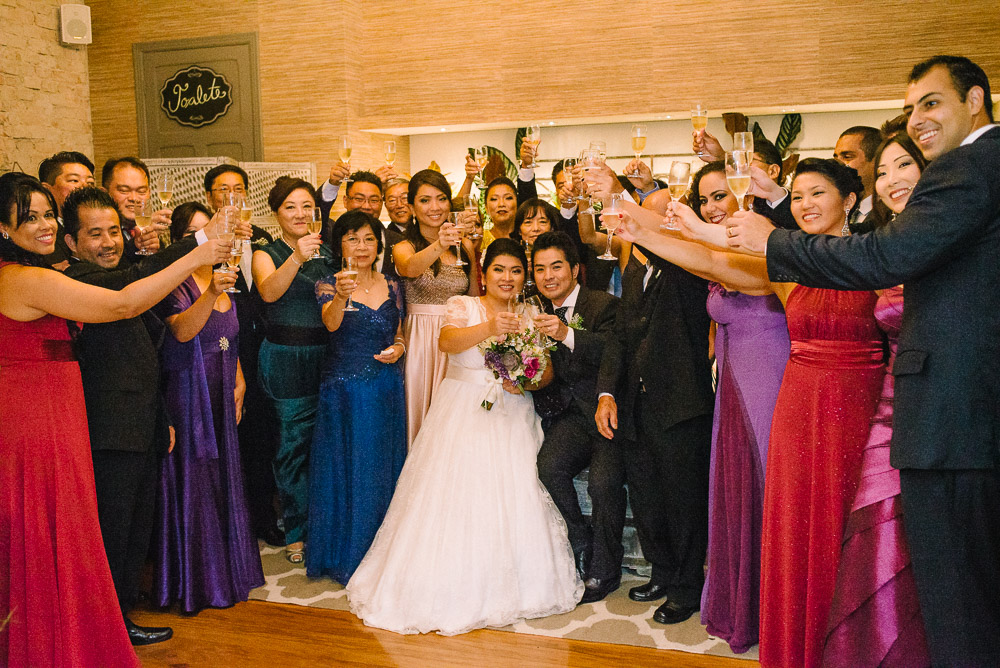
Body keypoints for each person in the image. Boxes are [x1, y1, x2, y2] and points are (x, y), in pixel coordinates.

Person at [725, 55, 1000, 666]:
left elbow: (882, 259)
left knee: (958, 607)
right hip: (953, 418)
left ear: (976, 100)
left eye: (932, 102)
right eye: (912, 108)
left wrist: (774, 240)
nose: (919, 119)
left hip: (953, 422)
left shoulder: (971, 168)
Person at [622, 159, 883, 664]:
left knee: (850, 520)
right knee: (799, 520)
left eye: (817, 194)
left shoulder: (877, 254)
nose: (806, 205)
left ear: (850, 200)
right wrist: (647, 233)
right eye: (798, 196)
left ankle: (853, 629)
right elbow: (717, 265)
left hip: (862, 405)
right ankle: (802, 625)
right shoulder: (793, 266)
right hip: (802, 402)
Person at [0, 173, 229, 667]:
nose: (42, 224)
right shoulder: (27, 277)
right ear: (2, 226)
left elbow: (144, 332)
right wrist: (197, 252)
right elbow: (123, 299)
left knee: (67, 532)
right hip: (37, 414)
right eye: (30, 216)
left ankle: (76, 631)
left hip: (60, 410)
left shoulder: (36, 274)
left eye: (46, 213)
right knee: (54, 530)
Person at [346, 239, 582, 634]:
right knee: (454, 494)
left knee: (516, 490)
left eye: (516, 271)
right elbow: (446, 342)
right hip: (462, 409)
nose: (507, 278)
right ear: (484, 274)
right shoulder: (464, 305)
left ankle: (516, 584)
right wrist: (490, 326)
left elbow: (545, 371)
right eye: (498, 270)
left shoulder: (531, 312)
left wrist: (527, 381)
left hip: (513, 412)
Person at [62, 187, 225, 645]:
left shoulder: (125, 282)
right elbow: (134, 284)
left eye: (114, 231)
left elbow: (148, 353)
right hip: (108, 431)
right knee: (112, 533)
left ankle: (121, 617)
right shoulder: (85, 281)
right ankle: (107, 626)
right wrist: (197, 246)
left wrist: (164, 418)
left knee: (135, 533)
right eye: (95, 234)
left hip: (143, 424)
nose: (109, 242)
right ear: (71, 243)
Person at [822, 133, 931, 667]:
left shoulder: (959, 237)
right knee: (877, 530)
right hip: (887, 412)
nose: (891, 180)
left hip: (946, 409)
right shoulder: (877, 242)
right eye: (882, 171)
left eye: (903, 164)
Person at [674, 161, 790, 653]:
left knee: (770, 489)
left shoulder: (772, 244)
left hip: (773, 376)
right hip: (732, 385)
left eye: (721, 195)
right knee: (737, 491)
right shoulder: (716, 247)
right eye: (706, 200)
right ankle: (746, 604)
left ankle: (782, 609)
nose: (714, 207)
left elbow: (737, 276)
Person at [593, 197, 715, 628]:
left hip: (681, 403)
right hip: (634, 404)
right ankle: (662, 573)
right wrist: (607, 394)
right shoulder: (633, 270)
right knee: (646, 497)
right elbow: (620, 339)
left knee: (683, 503)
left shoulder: (687, 269)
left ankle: (687, 588)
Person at [152, 202, 265, 612]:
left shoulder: (226, 278)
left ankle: (229, 571)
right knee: (195, 481)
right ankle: (197, 582)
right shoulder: (174, 283)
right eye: (203, 232)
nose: (216, 239)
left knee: (224, 478)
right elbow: (182, 332)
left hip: (221, 392)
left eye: (218, 230)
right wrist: (213, 291)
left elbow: (229, 340)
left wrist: (238, 378)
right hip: (188, 395)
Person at [307, 210, 407, 584]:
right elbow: (331, 325)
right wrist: (340, 297)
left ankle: (386, 550)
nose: (361, 246)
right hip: (345, 388)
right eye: (352, 239)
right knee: (349, 466)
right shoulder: (326, 283)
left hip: (386, 385)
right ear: (340, 246)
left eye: (368, 238)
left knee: (383, 465)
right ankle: (348, 552)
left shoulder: (392, 284)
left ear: (378, 243)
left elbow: (399, 331)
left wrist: (399, 347)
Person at [530, 231, 623, 603]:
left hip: (606, 414)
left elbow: (614, 350)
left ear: (574, 269)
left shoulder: (603, 304)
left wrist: (568, 333)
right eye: (539, 269)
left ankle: (605, 568)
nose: (548, 276)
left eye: (556, 267)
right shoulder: (534, 311)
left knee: (603, 483)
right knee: (548, 466)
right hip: (568, 417)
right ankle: (579, 536)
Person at [204, 163, 284, 548]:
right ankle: (221, 524)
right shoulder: (201, 242)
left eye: (238, 189)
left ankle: (262, 518)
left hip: (256, 349)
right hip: (214, 348)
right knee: (221, 433)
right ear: (209, 197)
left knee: (260, 435)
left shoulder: (262, 237)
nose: (231, 197)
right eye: (223, 190)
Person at [252, 177, 330, 563]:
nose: (300, 214)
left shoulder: (327, 251)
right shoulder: (265, 252)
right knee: (290, 447)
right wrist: (297, 256)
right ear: (276, 213)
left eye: (306, 206)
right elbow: (268, 292)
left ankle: (325, 524)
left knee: (323, 445)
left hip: (326, 355)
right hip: (285, 357)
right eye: (290, 207)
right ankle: (296, 530)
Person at [392, 169, 477, 446]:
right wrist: (441, 244)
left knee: (458, 420)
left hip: (460, 337)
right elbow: (410, 268)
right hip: (422, 341)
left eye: (441, 199)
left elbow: (475, 296)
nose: (435, 207)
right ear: (412, 207)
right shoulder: (403, 246)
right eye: (425, 200)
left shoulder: (465, 246)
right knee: (424, 416)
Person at [102, 156, 170, 259]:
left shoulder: (151, 233)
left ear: (149, 193)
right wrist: (135, 245)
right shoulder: (97, 231)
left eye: (141, 191)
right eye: (124, 190)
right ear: (105, 193)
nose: (134, 198)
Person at [38, 150, 95, 269]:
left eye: (90, 183)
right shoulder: (42, 232)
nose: (85, 188)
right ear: (46, 190)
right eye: (74, 181)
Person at [833, 126, 882, 233]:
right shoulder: (837, 209)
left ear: (876, 161)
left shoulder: (891, 215)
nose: (838, 164)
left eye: (847, 157)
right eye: (836, 158)